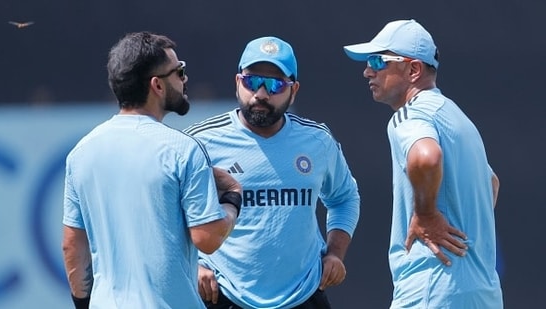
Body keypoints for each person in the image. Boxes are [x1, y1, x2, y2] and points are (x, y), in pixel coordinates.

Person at [62, 31, 241, 309]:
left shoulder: (81, 153)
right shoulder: (183, 150)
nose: (185, 79)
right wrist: (232, 198)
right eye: (179, 71)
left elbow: (72, 247)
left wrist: (85, 303)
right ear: (157, 85)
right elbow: (207, 238)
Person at [184, 36, 361, 309]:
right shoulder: (200, 140)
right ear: (237, 83)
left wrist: (335, 253)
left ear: (295, 90)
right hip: (226, 295)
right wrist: (193, 263)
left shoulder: (317, 141)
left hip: (304, 295)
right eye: (252, 81)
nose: (262, 94)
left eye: (276, 85)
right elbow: (170, 211)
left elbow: (345, 197)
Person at [343, 19, 503, 308]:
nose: (368, 71)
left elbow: (426, 158)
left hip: (431, 288)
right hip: (483, 293)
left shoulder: (410, 115)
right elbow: (492, 184)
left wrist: (427, 214)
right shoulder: (458, 118)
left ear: (413, 70)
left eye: (378, 61)